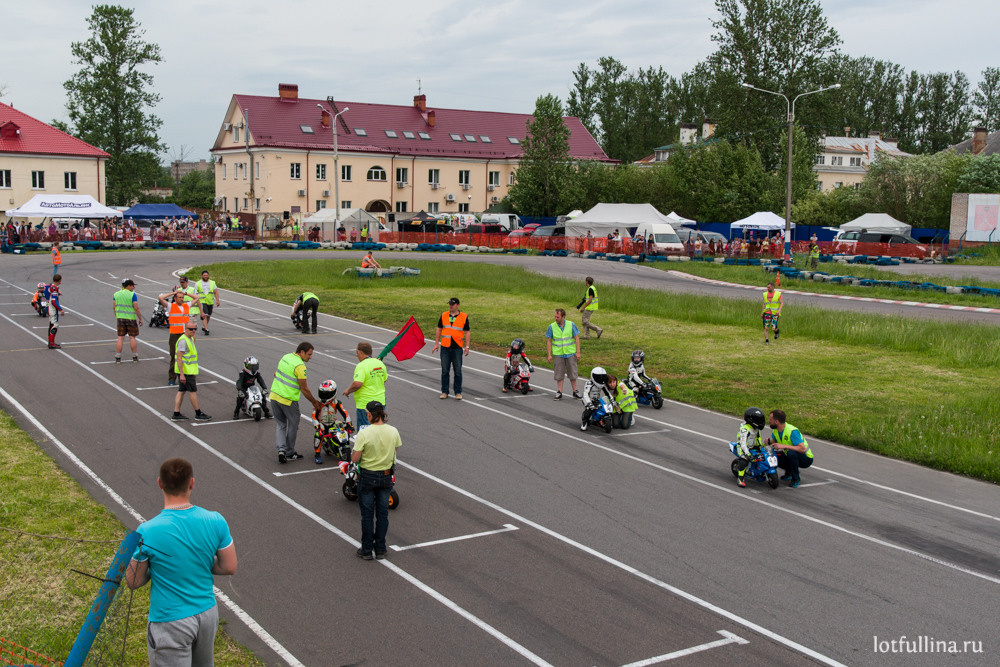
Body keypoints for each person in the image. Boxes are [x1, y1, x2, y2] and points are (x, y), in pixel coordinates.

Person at [126, 458, 237, 666]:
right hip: (206, 613)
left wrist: (157, 568)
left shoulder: (147, 531)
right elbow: (229, 566)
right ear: (192, 483)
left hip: (170, 620)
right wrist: (197, 560)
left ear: (159, 483)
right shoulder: (215, 520)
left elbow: (133, 580)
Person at [351, 401, 401, 560]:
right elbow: (395, 449)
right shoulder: (393, 431)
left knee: (367, 515)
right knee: (383, 514)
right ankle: (380, 548)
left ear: (371, 415)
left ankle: (366, 549)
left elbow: (355, 458)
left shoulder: (364, 433)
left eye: (367, 413)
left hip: (368, 476)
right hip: (386, 476)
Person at [269, 342, 321, 463]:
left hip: (274, 396)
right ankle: (289, 452)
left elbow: (275, 374)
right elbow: (304, 389)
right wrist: (314, 402)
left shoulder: (285, 357)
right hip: (288, 400)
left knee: (281, 424)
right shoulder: (300, 366)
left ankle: (281, 450)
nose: (310, 357)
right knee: (293, 425)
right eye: (309, 354)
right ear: (301, 352)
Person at [159, 286, 198, 386]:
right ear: (175, 298)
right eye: (179, 297)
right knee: (174, 356)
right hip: (175, 335)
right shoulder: (170, 306)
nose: (181, 299)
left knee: (188, 356)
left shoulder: (186, 305)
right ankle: (172, 378)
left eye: (182, 297)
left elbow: (197, 298)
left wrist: (185, 293)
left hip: (185, 335)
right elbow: (161, 298)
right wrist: (173, 293)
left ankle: (187, 374)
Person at [172, 322, 211, 422]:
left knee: (181, 391)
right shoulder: (183, 341)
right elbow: (179, 358)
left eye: (195, 329)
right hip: (185, 371)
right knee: (193, 391)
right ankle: (198, 413)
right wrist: (181, 374)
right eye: (191, 329)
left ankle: (176, 413)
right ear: (185, 329)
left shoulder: (190, 339)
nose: (193, 331)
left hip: (189, 370)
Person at [432, 297, 470, 400]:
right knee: (445, 371)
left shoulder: (464, 317)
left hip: (457, 348)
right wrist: (436, 343)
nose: (451, 306)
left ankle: (458, 392)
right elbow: (439, 329)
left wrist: (467, 346)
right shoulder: (444, 315)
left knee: (457, 371)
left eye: (453, 304)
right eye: (450, 304)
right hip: (445, 347)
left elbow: (467, 332)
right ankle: (444, 391)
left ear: (458, 305)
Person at [343, 342, 388, 427]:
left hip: (365, 404)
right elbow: (384, 380)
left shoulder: (362, 365)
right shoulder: (380, 363)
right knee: (378, 428)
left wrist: (348, 390)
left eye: (357, 353)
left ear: (361, 353)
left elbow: (357, 383)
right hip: (380, 402)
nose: (357, 356)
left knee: (365, 431)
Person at [765, 409, 814, 488]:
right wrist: (768, 441)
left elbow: (802, 449)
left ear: (776, 421)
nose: (769, 421)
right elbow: (774, 440)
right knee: (774, 456)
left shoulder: (792, 431)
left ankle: (796, 479)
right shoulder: (776, 430)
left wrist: (783, 446)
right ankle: (789, 473)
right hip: (790, 453)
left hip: (805, 458)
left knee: (791, 454)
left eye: (770, 419)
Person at [545, 307, 582, 400]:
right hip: (558, 354)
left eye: (557, 317)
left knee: (572, 373)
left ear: (563, 316)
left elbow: (576, 338)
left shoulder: (571, 324)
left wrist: (578, 352)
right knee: (559, 374)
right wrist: (549, 354)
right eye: (555, 316)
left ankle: (575, 391)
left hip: (570, 353)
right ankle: (559, 391)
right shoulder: (552, 326)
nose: (555, 318)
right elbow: (549, 341)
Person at [312, 379, 351, 464]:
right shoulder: (318, 404)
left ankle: (345, 446)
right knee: (319, 434)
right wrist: (317, 426)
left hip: (333, 423)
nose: (323, 396)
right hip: (322, 424)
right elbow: (314, 416)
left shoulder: (337, 403)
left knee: (345, 429)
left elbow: (345, 414)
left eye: (326, 394)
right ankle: (317, 454)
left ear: (333, 393)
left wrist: (348, 424)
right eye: (322, 393)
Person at [734, 407, 766, 488]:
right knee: (745, 460)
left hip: (752, 446)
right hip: (742, 447)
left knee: (761, 457)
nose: (760, 423)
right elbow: (743, 443)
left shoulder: (756, 429)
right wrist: (747, 454)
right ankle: (740, 478)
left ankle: (757, 473)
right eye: (758, 421)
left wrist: (762, 447)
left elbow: (758, 439)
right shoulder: (744, 429)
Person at [113, 279, 144, 363]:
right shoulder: (132, 295)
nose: (134, 287)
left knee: (120, 337)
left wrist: (117, 315)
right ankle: (134, 356)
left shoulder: (116, 294)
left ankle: (118, 356)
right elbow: (136, 308)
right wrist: (140, 319)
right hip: (130, 318)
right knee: (132, 337)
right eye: (133, 286)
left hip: (120, 318)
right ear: (129, 286)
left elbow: (114, 306)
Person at [233, 355, 272, 421]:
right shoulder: (243, 373)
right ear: (246, 366)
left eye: (254, 367)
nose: (253, 369)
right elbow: (239, 382)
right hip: (244, 388)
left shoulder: (256, 373)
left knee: (262, 396)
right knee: (240, 398)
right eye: (251, 367)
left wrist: (264, 388)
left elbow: (260, 380)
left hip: (252, 388)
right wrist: (240, 390)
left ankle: (266, 412)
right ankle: (236, 412)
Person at [580, 366, 615, 431]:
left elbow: (607, 392)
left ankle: (603, 420)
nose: (601, 380)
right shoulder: (589, 384)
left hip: (596, 399)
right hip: (588, 399)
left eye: (602, 377)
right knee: (589, 410)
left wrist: (612, 400)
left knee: (604, 407)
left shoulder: (602, 384)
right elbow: (585, 394)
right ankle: (584, 423)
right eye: (599, 378)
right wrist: (589, 403)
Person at [195, 271, 220, 335]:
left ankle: (204, 326)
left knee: (208, 315)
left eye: (207, 275)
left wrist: (217, 300)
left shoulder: (212, 283)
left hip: (210, 301)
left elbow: (215, 292)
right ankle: (206, 329)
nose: (206, 276)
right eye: (204, 275)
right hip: (202, 301)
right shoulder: (198, 283)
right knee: (204, 315)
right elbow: (195, 293)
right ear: (202, 276)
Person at [45, 275, 63, 349]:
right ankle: (51, 343)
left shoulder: (48, 286)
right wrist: (60, 309)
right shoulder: (54, 288)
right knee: (54, 325)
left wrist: (58, 293)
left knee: (51, 324)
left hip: (48, 306)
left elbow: (48, 294)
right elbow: (54, 301)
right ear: (59, 280)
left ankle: (50, 341)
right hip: (52, 308)